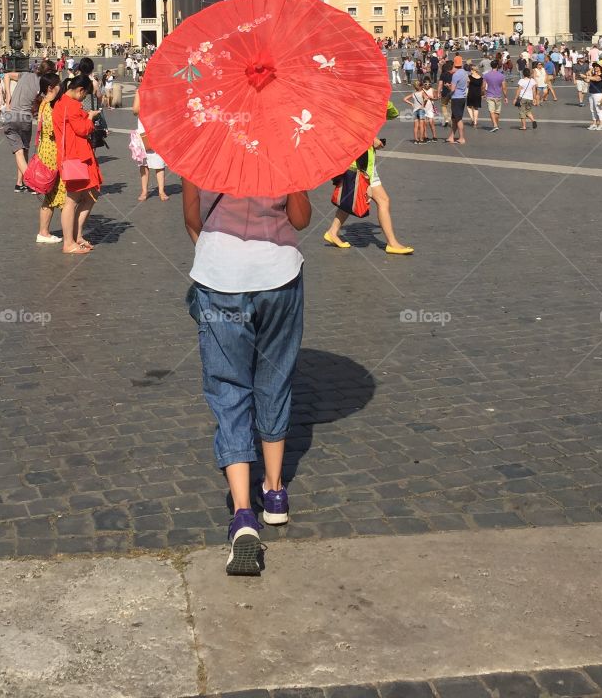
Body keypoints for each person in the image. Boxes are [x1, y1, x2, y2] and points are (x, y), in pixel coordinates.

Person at [183, 178, 311, 576]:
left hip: (219, 277)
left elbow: (192, 218)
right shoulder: (285, 154)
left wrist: (217, 258)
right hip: (279, 276)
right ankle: (274, 493)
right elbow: (302, 220)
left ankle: (242, 514)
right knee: (275, 378)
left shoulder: (203, 148)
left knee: (228, 387)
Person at [324, 137, 413, 255]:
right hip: (361, 167)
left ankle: (332, 231)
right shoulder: (356, 119)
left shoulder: (361, 119)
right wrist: (371, 140)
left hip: (365, 166)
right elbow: (355, 132)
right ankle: (392, 243)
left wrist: (373, 141)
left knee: (349, 200)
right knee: (383, 201)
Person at [52, 74, 103, 253]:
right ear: (80, 90)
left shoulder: (62, 103)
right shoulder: (71, 105)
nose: (85, 98)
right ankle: (69, 242)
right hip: (76, 156)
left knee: (91, 194)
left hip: (76, 155)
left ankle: (77, 236)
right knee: (72, 200)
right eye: (85, 95)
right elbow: (82, 129)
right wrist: (90, 117)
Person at [3, 62, 45, 192]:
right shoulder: (41, 84)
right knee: (23, 151)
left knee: (20, 151)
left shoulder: (24, 75)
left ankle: (19, 183)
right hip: (25, 118)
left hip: (10, 116)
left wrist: (8, 95)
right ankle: (31, 181)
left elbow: (7, 75)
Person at [34, 75, 65, 245]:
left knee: (51, 194)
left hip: (46, 149)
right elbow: (53, 129)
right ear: (50, 88)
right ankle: (44, 232)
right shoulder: (49, 107)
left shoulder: (44, 103)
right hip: (51, 151)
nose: (60, 86)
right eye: (57, 84)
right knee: (54, 193)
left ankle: (44, 231)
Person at [133, 89, 168, 201]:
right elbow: (135, 111)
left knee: (159, 162)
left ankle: (161, 191)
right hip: (144, 131)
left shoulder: (161, 91)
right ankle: (144, 191)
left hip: (158, 130)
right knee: (144, 163)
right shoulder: (140, 91)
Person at [447, 57, 468, 145]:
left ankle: (461, 138)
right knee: (454, 118)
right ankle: (451, 136)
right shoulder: (464, 72)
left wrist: (448, 89)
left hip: (456, 98)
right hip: (462, 97)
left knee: (458, 119)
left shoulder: (455, 75)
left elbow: (452, 89)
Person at [482, 60, 507, 132]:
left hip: (490, 95)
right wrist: (505, 97)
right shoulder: (501, 76)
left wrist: (483, 94)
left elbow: (483, 86)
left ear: (491, 66)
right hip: (498, 96)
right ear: (497, 66)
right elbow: (504, 87)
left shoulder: (486, 75)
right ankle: (496, 125)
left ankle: (495, 125)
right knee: (497, 112)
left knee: (491, 111)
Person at [465, 63, 483, 129]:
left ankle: (472, 119)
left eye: (471, 69)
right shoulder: (481, 78)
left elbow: (467, 85)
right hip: (478, 94)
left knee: (469, 107)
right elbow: (482, 87)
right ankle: (475, 122)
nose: (470, 71)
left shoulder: (469, 77)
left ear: (473, 70)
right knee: (476, 108)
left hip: (471, 93)